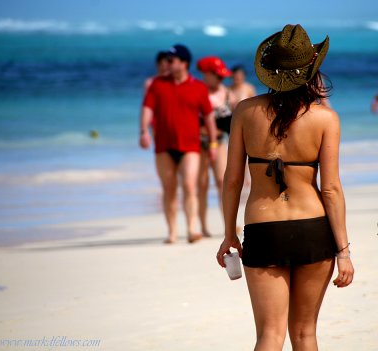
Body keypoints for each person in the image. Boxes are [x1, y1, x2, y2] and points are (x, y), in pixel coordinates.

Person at [216, 24, 354, 351]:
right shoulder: (325, 119)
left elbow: (232, 179)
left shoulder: (246, 111)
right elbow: (331, 188)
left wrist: (229, 233)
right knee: (305, 335)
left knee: (269, 335)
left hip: (264, 229)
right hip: (314, 228)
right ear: (310, 69)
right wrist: (344, 251)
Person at [140, 44, 218, 244]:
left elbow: (209, 118)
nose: (167, 63)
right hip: (164, 147)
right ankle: (172, 232)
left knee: (189, 186)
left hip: (190, 146)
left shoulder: (198, 87)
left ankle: (192, 229)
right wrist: (143, 132)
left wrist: (214, 143)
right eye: (167, 60)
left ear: (184, 63)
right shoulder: (157, 84)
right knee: (169, 189)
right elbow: (147, 109)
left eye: (172, 60)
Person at [197, 56, 234, 237]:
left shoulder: (228, 94)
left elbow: (235, 123)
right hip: (198, 143)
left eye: (222, 77)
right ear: (207, 74)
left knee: (223, 182)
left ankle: (228, 224)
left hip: (219, 143)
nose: (221, 80)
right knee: (201, 185)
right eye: (217, 76)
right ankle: (202, 226)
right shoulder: (198, 92)